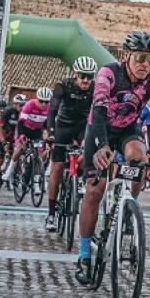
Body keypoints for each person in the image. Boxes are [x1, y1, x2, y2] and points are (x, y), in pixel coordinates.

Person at [75, 30, 150, 284]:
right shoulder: (108, 74)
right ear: (126, 55)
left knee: (139, 158)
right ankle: (84, 255)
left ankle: (129, 205)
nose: (145, 65)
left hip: (129, 130)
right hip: (101, 128)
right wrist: (102, 146)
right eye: (140, 58)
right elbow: (98, 111)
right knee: (94, 191)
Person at [42, 56, 98, 232]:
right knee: (57, 167)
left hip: (82, 127)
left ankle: (79, 178)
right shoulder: (63, 85)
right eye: (83, 76)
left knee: (86, 155)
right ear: (75, 74)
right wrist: (50, 135)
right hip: (63, 127)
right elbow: (52, 112)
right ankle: (51, 213)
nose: (86, 80)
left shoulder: (95, 88)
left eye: (90, 76)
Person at [1, 87, 51, 182]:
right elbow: (20, 122)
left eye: (46, 102)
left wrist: (48, 134)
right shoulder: (30, 104)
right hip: (24, 129)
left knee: (39, 155)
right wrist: (22, 135)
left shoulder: (49, 108)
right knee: (19, 148)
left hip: (37, 131)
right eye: (41, 101)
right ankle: (9, 170)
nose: (44, 104)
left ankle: (36, 180)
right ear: (37, 99)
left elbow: (48, 124)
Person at [0, 94, 25, 180]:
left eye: (24, 105)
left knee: (17, 156)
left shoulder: (24, 114)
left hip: (13, 139)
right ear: (15, 104)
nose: (22, 107)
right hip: (1, 137)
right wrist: (3, 142)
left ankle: (11, 175)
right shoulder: (8, 111)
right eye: (20, 105)